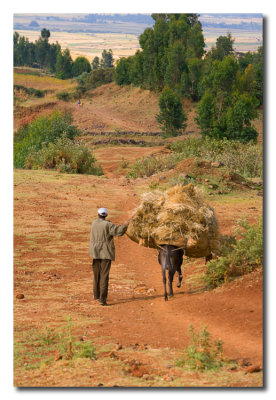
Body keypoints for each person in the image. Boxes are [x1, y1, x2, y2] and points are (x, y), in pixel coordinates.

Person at [89, 207, 130, 306]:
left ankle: (96, 295)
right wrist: (126, 224)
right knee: (104, 276)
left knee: (96, 275)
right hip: (105, 254)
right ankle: (102, 300)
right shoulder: (108, 225)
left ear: (98, 214)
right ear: (106, 215)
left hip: (95, 253)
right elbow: (119, 231)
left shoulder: (94, 223)